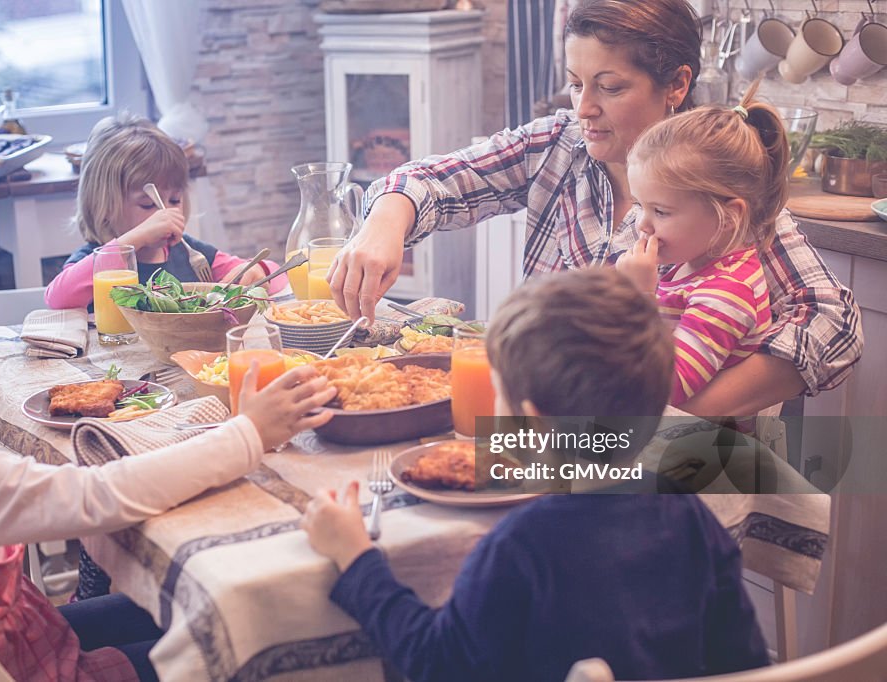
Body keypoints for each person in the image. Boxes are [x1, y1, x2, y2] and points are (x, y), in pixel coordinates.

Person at [327, 0, 861, 418]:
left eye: (609, 87)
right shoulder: (557, 146)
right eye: (576, 83)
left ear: (676, 83)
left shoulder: (724, 185)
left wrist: (673, 415)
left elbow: (834, 322)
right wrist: (385, 220)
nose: (583, 109)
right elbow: (429, 180)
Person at [0, 237, 336, 681]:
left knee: (190, 609)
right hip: (19, 665)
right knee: (236, 632)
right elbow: (106, 494)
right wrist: (249, 432)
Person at [301, 268, 769, 682]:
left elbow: (436, 661)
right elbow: (745, 660)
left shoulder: (521, 545)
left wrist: (356, 556)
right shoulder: (690, 515)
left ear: (531, 421)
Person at [616, 83, 787, 411]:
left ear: (728, 216)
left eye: (661, 211)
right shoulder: (692, 260)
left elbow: (665, 390)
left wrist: (636, 299)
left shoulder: (727, 295)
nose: (642, 224)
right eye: (640, 205)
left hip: (701, 455)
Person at [45, 114, 286, 310]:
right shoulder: (96, 261)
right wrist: (132, 242)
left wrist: (256, 271)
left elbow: (279, 277)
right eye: (148, 205)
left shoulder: (193, 255)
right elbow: (57, 299)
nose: (165, 214)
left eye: (174, 200)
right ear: (104, 206)